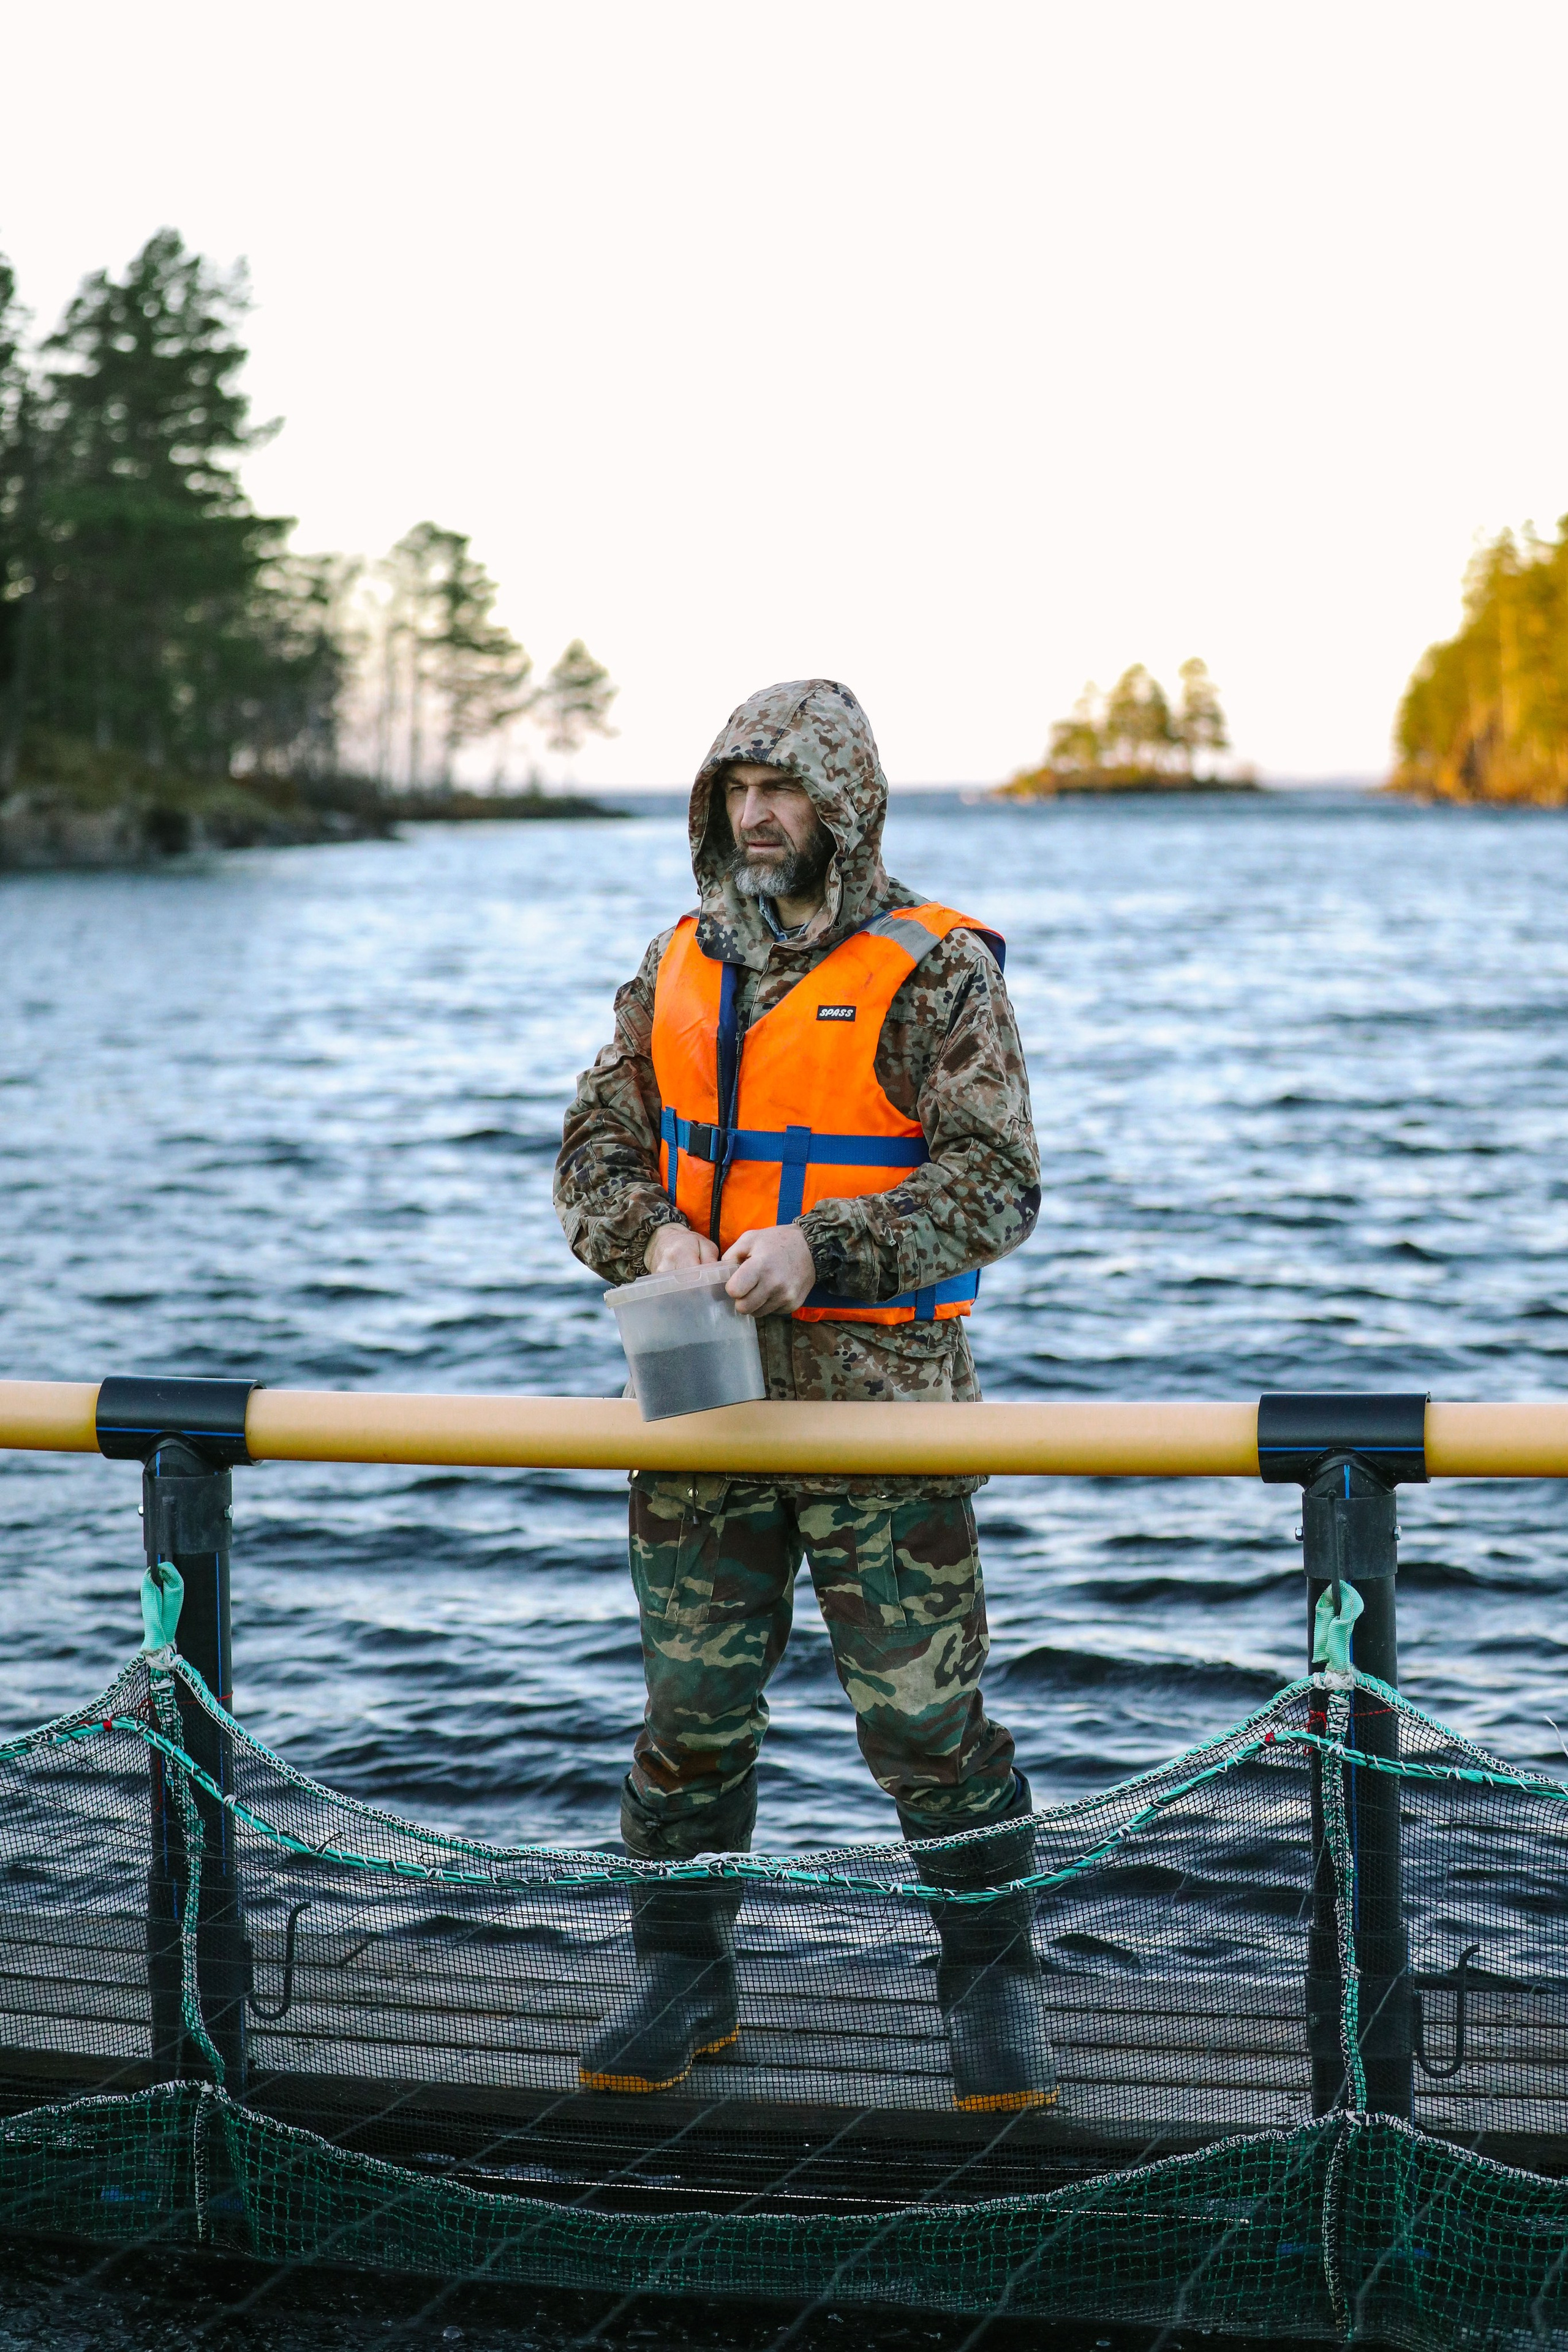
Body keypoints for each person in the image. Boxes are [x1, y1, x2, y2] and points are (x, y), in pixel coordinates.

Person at [554, 677, 1049, 2111]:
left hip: (879, 1406)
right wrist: (644, 1233)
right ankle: (683, 1975)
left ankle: (987, 1989)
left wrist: (818, 1248)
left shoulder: (937, 968)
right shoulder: (674, 963)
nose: (756, 816)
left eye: (782, 790)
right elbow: (593, 1135)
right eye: (735, 791)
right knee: (689, 1714)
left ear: (846, 804)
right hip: (699, 1397)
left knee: (924, 1729)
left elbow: (995, 1183)